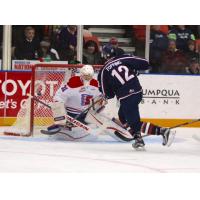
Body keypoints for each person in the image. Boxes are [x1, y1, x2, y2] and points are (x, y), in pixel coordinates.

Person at [97, 49, 175, 149]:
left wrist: (110, 90)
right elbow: (145, 64)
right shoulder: (123, 58)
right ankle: (138, 138)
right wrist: (133, 69)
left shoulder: (103, 71)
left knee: (134, 123)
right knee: (123, 116)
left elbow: (108, 94)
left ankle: (163, 131)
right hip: (137, 91)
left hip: (126, 96)